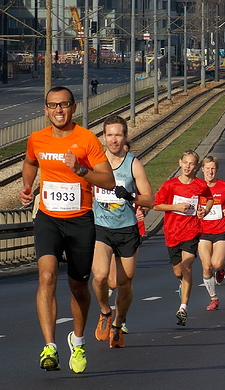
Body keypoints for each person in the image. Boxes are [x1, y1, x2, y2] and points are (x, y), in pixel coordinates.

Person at [19, 86, 115, 373]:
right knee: (46, 275)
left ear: (74, 108)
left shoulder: (86, 140)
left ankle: (79, 340)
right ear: (45, 109)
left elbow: (108, 181)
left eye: (64, 105)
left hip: (80, 220)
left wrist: (82, 171)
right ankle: (50, 346)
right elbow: (29, 162)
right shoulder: (37, 138)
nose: (58, 110)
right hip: (48, 217)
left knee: (78, 287)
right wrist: (26, 186)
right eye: (52, 105)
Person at [91, 115, 154, 349]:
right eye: (110, 135)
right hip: (101, 227)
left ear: (125, 136)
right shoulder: (96, 162)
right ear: (104, 137)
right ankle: (105, 312)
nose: (114, 139)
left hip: (127, 230)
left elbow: (150, 199)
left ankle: (117, 326)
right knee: (99, 276)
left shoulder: (133, 164)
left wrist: (132, 197)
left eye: (118, 135)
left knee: (124, 282)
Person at [153, 150, 214, 326]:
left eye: (191, 164)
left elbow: (209, 198)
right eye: (185, 162)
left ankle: (183, 308)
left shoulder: (200, 184)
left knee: (187, 267)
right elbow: (156, 205)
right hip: (172, 232)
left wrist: (205, 210)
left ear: (196, 166)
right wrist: (176, 206)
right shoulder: (170, 185)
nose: (188, 166)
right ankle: (182, 284)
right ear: (180, 162)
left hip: (191, 231)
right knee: (178, 271)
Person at [197, 156, 225, 309]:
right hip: (202, 231)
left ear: (217, 169)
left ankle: (221, 269)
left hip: (220, 231)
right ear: (202, 169)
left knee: (216, 263)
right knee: (206, 266)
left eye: (213, 168)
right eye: (207, 168)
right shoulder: (196, 186)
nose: (210, 171)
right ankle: (214, 298)